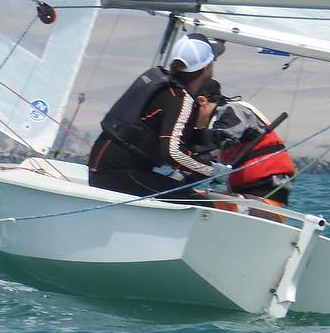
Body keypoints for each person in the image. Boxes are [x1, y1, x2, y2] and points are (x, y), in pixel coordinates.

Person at [87, 34, 224, 198]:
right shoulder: (179, 98)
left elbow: (164, 134)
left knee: (181, 190)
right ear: (207, 66)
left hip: (104, 168)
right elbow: (173, 153)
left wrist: (210, 137)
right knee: (196, 201)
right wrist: (213, 171)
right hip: (118, 174)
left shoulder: (165, 86)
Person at [209, 97, 296, 205]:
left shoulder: (232, 109)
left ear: (203, 101)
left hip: (266, 187)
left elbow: (221, 135)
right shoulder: (219, 118)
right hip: (245, 190)